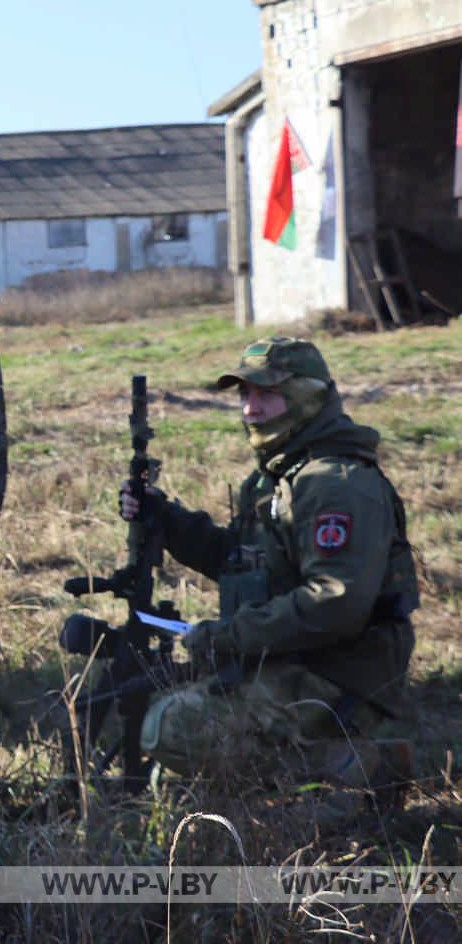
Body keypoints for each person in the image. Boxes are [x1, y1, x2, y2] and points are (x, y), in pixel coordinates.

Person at [119, 337, 419, 788]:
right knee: (161, 727)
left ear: (307, 396)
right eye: (245, 395)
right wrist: (166, 519)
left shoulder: (335, 485)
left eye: (266, 394)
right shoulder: (275, 478)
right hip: (287, 654)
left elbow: (335, 604)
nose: (250, 410)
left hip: (338, 672)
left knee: (173, 730)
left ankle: (357, 768)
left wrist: (230, 636)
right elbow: (240, 561)